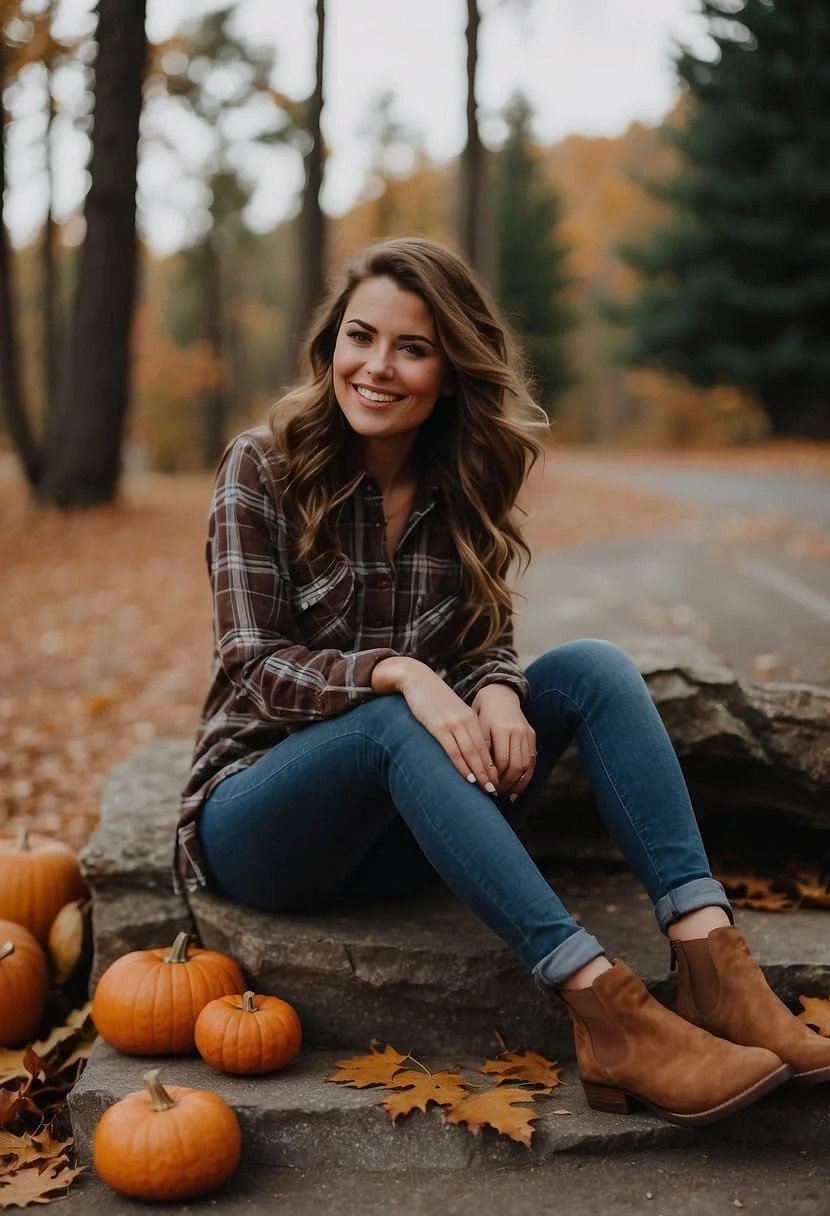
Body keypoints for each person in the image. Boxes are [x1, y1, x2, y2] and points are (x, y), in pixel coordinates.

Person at [175, 236, 830, 1126]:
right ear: (330, 343)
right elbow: (255, 672)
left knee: (593, 667)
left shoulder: (464, 477)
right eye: (360, 337)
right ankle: (608, 1012)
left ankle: (715, 969)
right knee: (390, 718)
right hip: (262, 826)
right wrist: (400, 672)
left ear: (452, 369)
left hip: (405, 831)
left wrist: (493, 687)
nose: (376, 367)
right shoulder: (263, 466)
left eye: (412, 347)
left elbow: (485, 637)